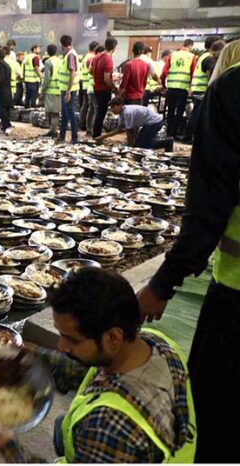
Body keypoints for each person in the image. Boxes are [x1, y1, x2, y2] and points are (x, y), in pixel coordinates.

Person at [137, 40, 240, 463]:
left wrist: (163, 282)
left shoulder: (234, 89)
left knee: (216, 421)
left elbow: (210, 203)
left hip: (236, 298)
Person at [0, 267, 196, 463]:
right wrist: (35, 358)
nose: (61, 346)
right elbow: (89, 370)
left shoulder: (109, 427)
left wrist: (9, 447)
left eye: (73, 340)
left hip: (116, 448)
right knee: (62, 427)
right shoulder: (155, 343)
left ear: (113, 337)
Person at [182, 36, 223, 143]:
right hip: (202, 90)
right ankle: (188, 137)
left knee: (196, 114)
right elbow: (211, 75)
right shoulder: (209, 58)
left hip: (197, 88)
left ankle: (188, 136)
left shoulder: (202, 56)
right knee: (198, 115)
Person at [94, 98, 173, 151]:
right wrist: (102, 137)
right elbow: (118, 130)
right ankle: (163, 142)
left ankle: (167, 142)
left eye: (114, 107)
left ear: (120, 105)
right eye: (111, 107)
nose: (112, 109)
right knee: (139, 144)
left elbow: (130, 132)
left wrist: (129, 148)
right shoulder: (122, 113)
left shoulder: (127, 112)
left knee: (142, 146)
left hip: (155, 122)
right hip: (149, 123)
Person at [161, 39, 196, 139]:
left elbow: (164, 72)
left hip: (171, 88)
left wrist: (164, 85)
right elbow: (193, 73)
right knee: (179, 112)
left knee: (170, 110)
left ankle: (168, 132)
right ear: (190, 46)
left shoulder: (173, 55)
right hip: (183, 88)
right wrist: (191, 87)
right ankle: (173, 133)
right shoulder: (191, 56)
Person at [91, 37, 118, 138]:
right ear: (114, 48)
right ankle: (97, 136)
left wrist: (97, 75)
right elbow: (107, 79)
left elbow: (90, 70)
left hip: (96, 87)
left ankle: (96, 133)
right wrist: (115, 88)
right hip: (104, 90)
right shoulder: (108, 60)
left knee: (98, 112)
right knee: (101, 113)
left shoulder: (97, 57)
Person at [57, 35, 81, 144]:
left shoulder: (70, 55)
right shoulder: (69, 54)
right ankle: (62, 135)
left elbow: (72, 73)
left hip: (69, 90)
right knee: (65, 113)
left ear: (61, 44)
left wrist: (68, 92)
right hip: (66, 89)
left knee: (70, 113)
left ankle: (75, 138)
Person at [39, 44, 61, 138]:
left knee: (49, 111)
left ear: (47, 52)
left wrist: (42, 90)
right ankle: (53, 130)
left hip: (50, 89)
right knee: (55, 112)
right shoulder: (60, 61)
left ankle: (52, 131)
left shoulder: (48, 62)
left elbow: (47, 79)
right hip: (59, 89)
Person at [79, 41, 98, 134]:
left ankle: (82, 124)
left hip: (85, 84)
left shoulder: (86, 56)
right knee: (91, 107)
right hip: (89, 85)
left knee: (86, 105)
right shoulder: (92, 58)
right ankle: (88, 126)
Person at [0, 47, 13, 134]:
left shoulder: (0, 64)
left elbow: (1, 79)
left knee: (1, 109)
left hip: (2, 90)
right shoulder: (6, 64)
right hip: (7, 89)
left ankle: (7, 125)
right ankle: (4, 126)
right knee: (5, 109)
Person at [23, 44, 42, 109]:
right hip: (34, 81)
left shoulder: (27, 56)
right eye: (38, 48)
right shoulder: (35, 57)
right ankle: (33, 112)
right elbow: (36, 68)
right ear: (34, 49)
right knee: (33, 98)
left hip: (27, 80)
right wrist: (41, 77)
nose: (40, 50)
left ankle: (26, 111)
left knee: (27, 97)